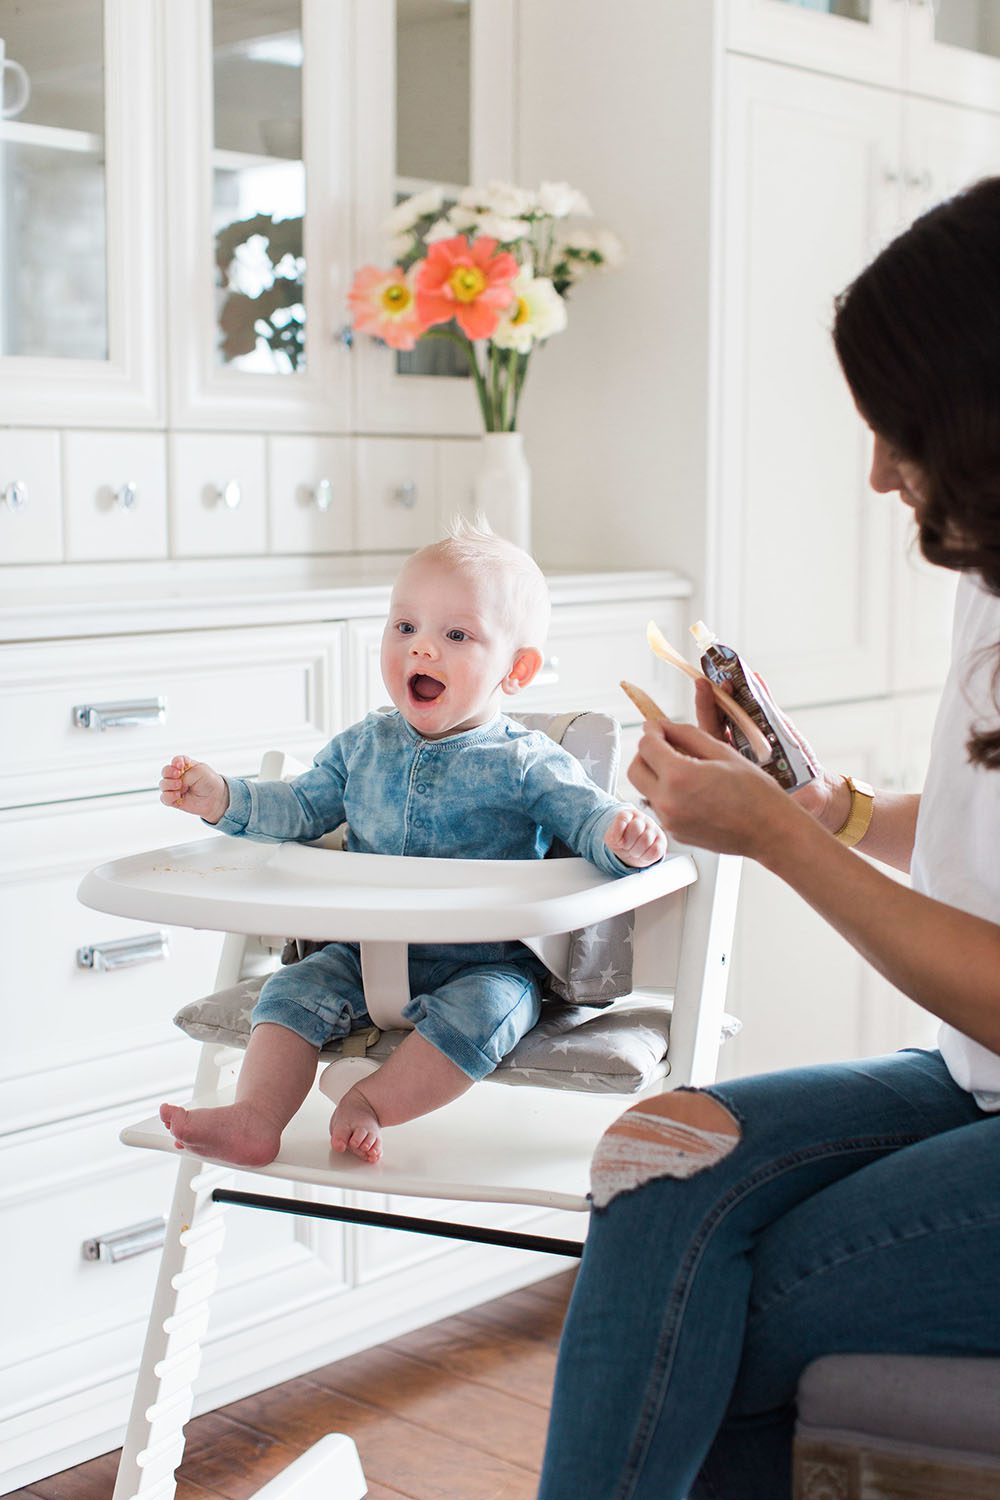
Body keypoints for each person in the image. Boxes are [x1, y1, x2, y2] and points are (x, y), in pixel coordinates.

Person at [538, 177, 1000, 1500]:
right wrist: (829, 812)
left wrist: (783, 849)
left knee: (732, 1313)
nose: (876, 471)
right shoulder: (988, 573)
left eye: (900, 430)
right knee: (654, 1156)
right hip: (972, 1078)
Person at [157, 520, 666, 1168]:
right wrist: (226, 798)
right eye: (405, 628)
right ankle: (256, 1117)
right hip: (361, 954)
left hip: (484, 962)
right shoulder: (362, 745)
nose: (421, 650)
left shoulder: (526, 761)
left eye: (456, 635)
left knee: (490, 1011)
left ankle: (373, 1103)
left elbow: (589, 819)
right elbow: (300, 806)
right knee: (287, 991)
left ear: (517, 669)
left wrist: (623, 838)